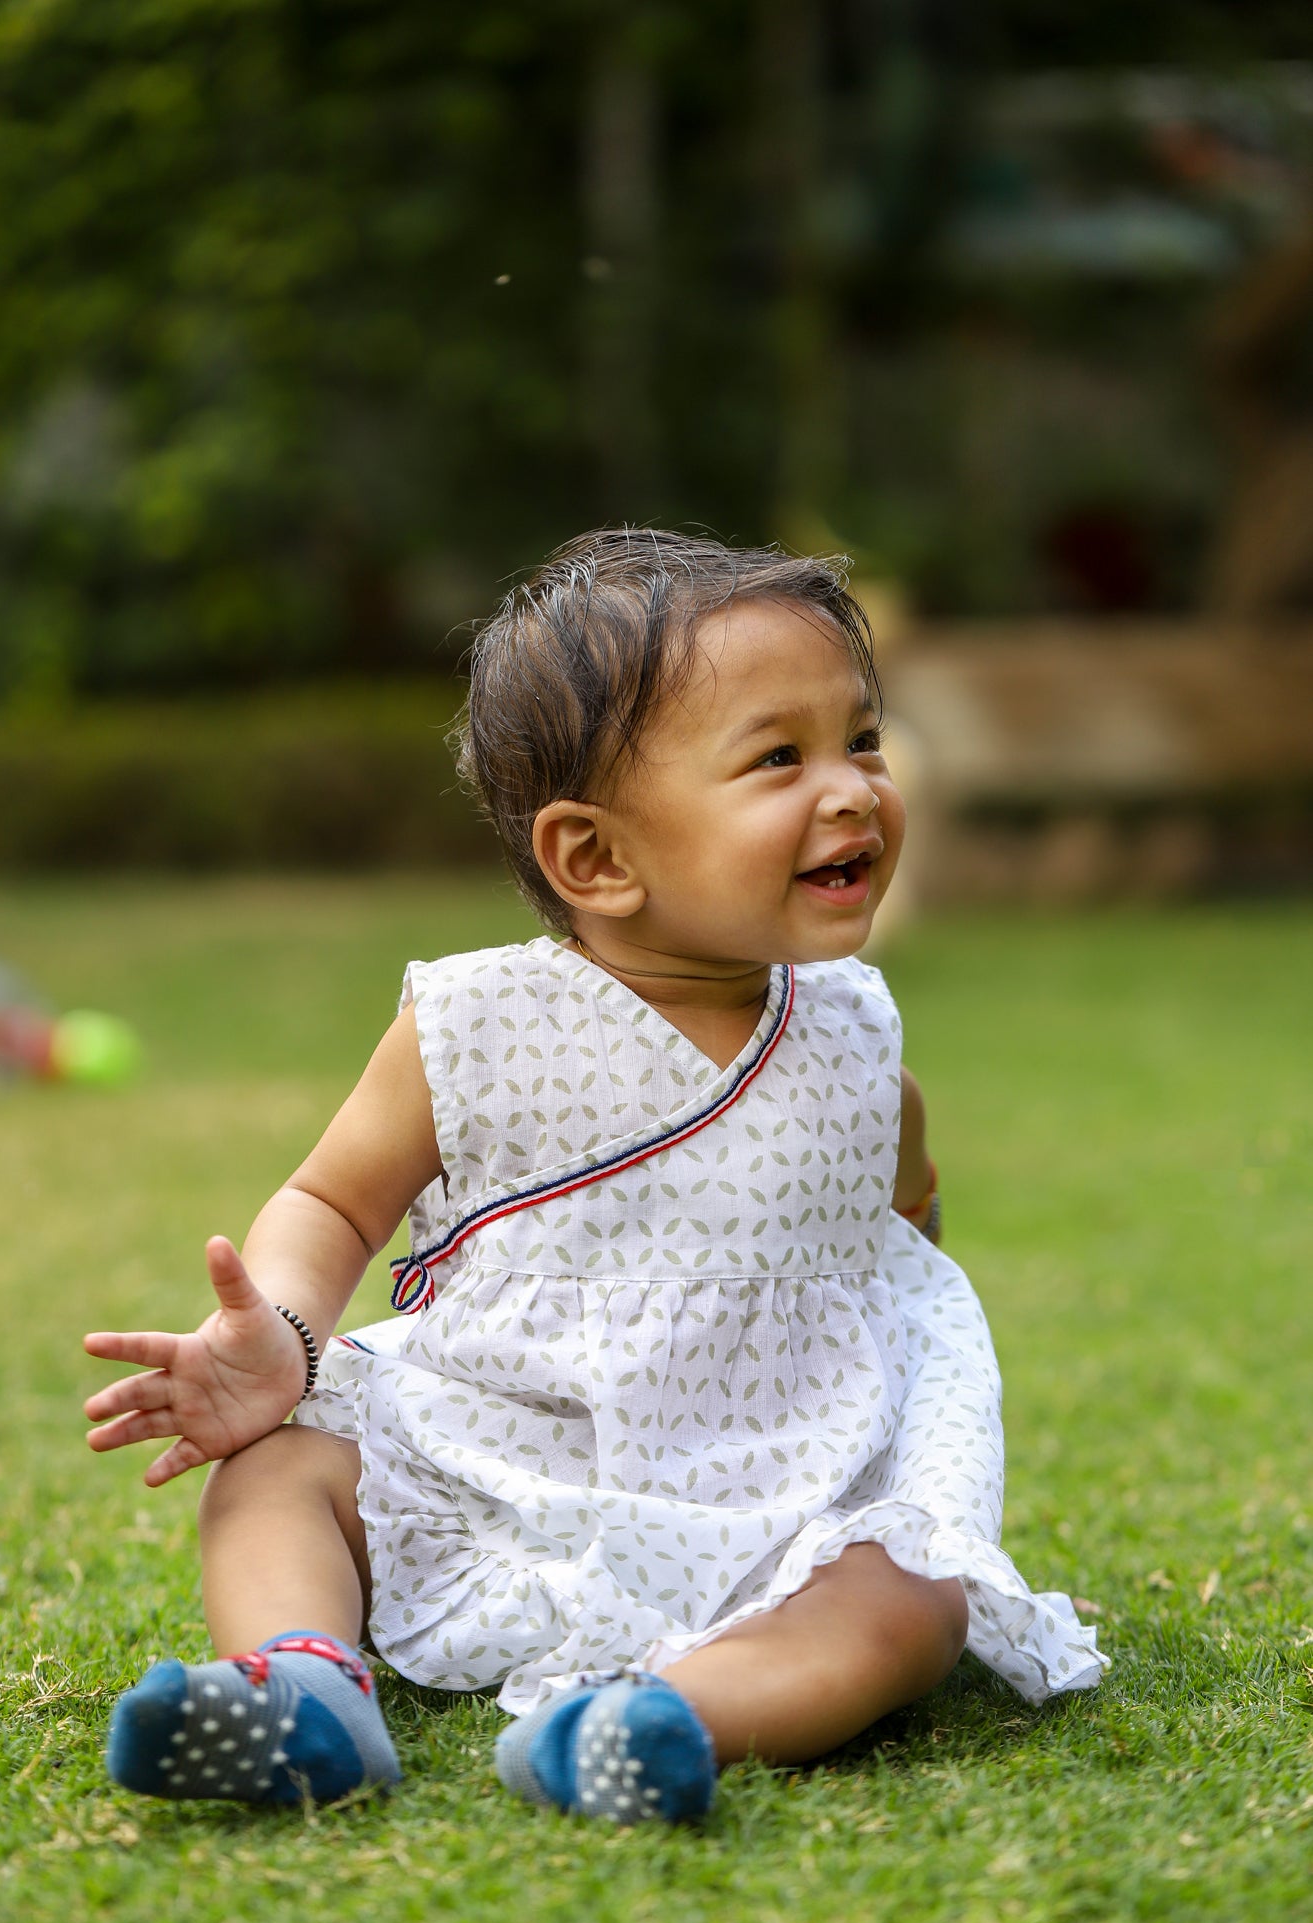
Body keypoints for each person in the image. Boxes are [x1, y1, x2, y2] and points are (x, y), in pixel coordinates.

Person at [84, 531, 1105, 1822]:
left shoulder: (854, 1037)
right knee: (281, 1474)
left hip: (769, 1483)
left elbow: (899, 1240)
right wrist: (284, 1336)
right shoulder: (470, 1023)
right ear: (596, 860)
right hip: (499, 1439)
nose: (850, 791)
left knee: (910, 1603)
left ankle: (657, 1723)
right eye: (778, 758)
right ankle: (301, 1688)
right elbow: (335, 1202)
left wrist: (905, 1422)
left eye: (860, 740)